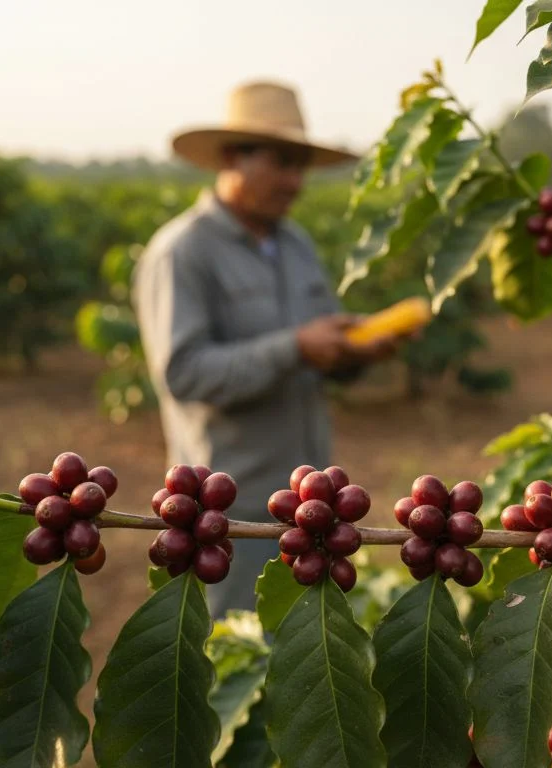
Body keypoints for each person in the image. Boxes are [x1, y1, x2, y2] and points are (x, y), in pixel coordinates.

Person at [134, 81, 399, 617]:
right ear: (233, 157)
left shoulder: (296, 244)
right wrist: (295, 347)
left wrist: (354, 352)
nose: (294, 182)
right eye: (282, 163)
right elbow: (183, 372)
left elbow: (317, 356)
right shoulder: (183, 253)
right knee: (236, 663)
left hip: (309, 508)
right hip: (230, 515)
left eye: (300, 166)